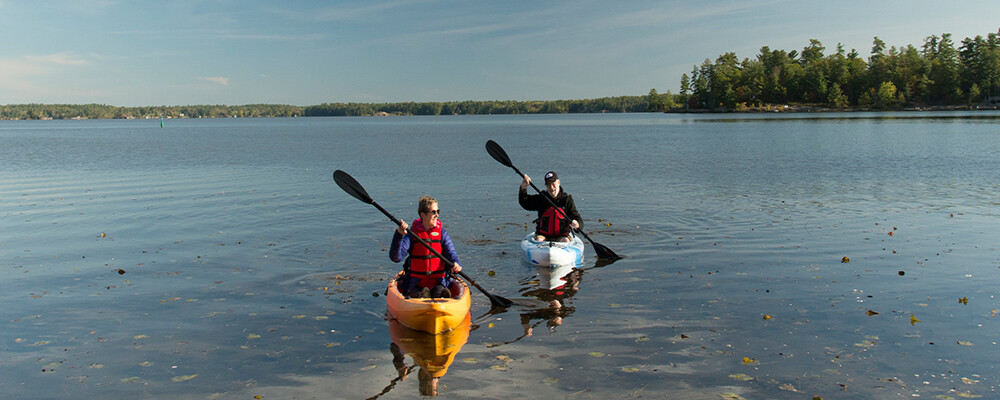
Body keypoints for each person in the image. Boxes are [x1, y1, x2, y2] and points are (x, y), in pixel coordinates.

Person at [389, 195, 462, 298]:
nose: (437, 215)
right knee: (420, 294)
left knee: (439, 292)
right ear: (423, 215)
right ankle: (423, 296)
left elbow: (451, 253)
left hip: (438, 282)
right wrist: (399, 235)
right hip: (416, 283)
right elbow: (396, 258)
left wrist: (456, 263)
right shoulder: (412, 234)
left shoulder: (442, 233)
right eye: (433, 212)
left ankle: (442, 297)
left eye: (438, 211)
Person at [518, 171, 583, 242]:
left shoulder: (566, 200)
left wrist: (577, 224)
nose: (551, 187)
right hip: (543, 235)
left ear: (558, 183)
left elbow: (577, 218)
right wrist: (523, 188)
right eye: (548, 185)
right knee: (539, 239)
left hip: (562, 236)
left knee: (565, 241)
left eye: (553, 184)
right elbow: (525, 203)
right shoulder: (542, 198)